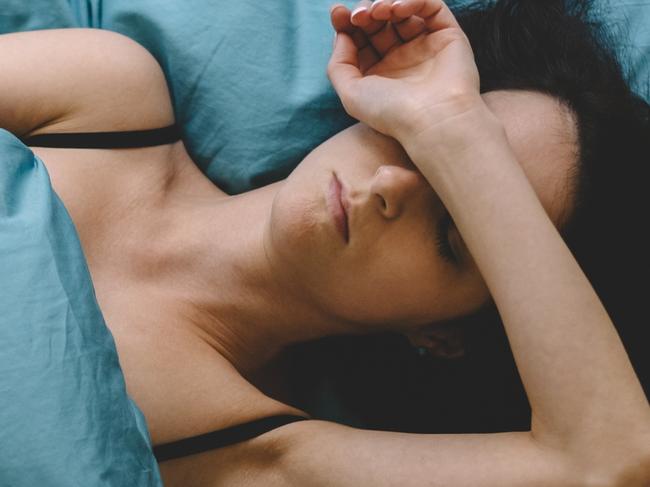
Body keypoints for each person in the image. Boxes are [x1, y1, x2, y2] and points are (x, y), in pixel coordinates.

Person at [1, 0, 648, 485]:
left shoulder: (257, 450)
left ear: (441, 333)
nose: (393, 186)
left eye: (456, 231)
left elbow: (607, 460)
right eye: (408, 141)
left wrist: (454, 127)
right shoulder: (105, 96)